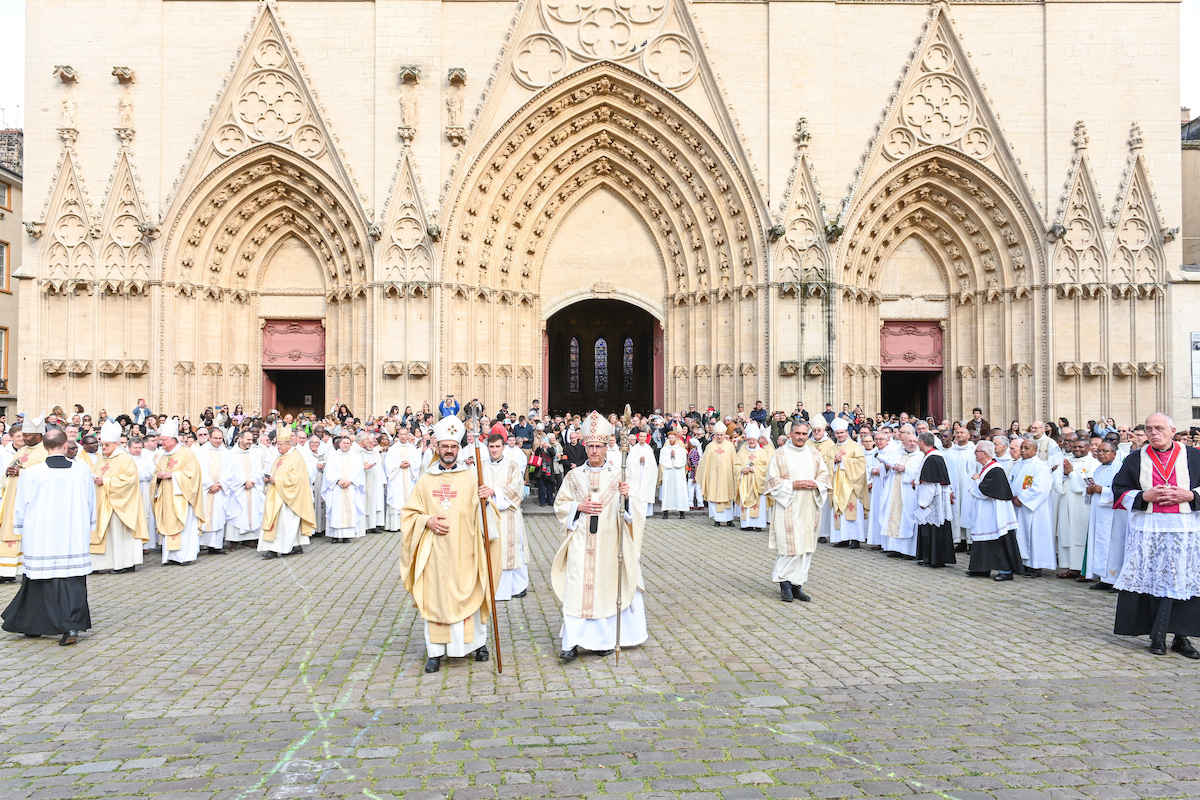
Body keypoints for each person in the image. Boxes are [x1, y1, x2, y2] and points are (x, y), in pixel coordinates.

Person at [400, 415, 499, 673]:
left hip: (466, 550)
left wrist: (488, 498)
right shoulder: (425, 480)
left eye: (453, 447)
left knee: (471, 591)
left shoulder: (470, 477)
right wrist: (427, 520)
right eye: (445, 446)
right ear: (437, 447)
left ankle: (477, 644)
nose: (449, 451)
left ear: (459, 448)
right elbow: (409, 514)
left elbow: (486, 518)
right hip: (435, 552)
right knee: (436, 596)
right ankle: (436, 651)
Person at [552, 411, 647, 661]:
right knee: (576, 589)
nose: (594, 451)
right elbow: (560, 505)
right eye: (591, 446)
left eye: (599, 446)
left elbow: (635, 513)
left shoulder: (620, 476)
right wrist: (577, 507)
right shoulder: (573, 477)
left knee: (604, 591)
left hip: (608, 542)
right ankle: (570, 643)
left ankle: (601, 642)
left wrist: (626, 498)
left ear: (606, 447)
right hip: (580, 543)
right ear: (585, 446)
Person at [1111, 413, 1200, 658]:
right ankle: (1156, 635)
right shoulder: (1135, 459)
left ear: (1172, 430)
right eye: (1149, 429)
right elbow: (1118, 489)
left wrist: (1191, 496)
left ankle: (1182, 637)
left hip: (1185, 529)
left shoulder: (1193, 456)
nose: (1153, 433)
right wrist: (1142, 497)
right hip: (1149, 529)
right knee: (1151, 579)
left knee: (1182, 579)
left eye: (1159, 428)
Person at [0, 430, 95, 645]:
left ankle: (36, 623)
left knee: (40, 581)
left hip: (41, 535)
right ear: (64, 446)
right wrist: (88, 526)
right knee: (71, 580)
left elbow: (21, 505)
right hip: (72, 534)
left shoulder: (32, 473)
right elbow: (91, 503)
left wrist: (20, 528)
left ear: (44, 447)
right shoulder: (81, 471)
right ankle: (70, 626)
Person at [763, 422, 830, 602]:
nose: (801, 437)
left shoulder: (814, 454)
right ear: (790, 434)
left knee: (805, 546)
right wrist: (793, 484)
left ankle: (797, 584)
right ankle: (784, 584)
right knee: (789, 546)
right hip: (788, 505)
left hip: (809, 505)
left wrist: (816, 484)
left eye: (804, 434)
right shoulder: (780, 454)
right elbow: (771, 480)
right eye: (798, 433)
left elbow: (824, 475)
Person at [90, 420, 148, 574]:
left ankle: (125, 563)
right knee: (106, 534)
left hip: (121, 505)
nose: (104, 448)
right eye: (102, 444)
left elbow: (129, 480)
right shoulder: (102, 459)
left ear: (116, 444)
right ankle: (102, 564)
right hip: (103, 502)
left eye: (107, 445)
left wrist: (106, 482)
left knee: (119, 533)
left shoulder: (125, 458)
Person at [480, 432, 528, 601]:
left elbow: (517, 490)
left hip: (508, 514)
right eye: (491, 447)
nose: (494, 450)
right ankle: (491, 587)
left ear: (503, 447)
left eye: (497, 446)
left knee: (512, 549)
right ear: (488, 448)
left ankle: (517, 587)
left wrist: (494, 492)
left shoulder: (513, 466)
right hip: (487, 514)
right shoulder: (481, 466)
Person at [153, 418, 208, 565]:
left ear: (173, 440)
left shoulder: (186, 454)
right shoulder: (163, 457)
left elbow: (193, 475)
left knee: (185, 527)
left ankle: (185, 557)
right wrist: (157, 478)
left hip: (182, 498)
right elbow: (155, 474)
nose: (161, 443)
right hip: (167, 498)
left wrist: (173, 475)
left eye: (163, 440)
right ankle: (170, 556)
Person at [0, 414, 48, 582]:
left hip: (30, 501)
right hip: (12, 498)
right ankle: (7, 571)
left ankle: (24, 568)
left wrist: (22, 472)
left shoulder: (46, 452)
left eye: (27, 435)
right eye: (23, 435)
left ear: (39, 435)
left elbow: (45, 476)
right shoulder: (21, 451)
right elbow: (9, 469)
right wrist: (8, 472)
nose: (24, 438)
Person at [965, 440, 1021, 580]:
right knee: (983, 539)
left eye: (976, 452)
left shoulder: (995, 470)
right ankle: (981, 568)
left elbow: (985, 491)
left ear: (984, 454)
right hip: (986, 511)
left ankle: (1005, 571)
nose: (975, 454)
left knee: (997, 539)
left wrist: (977, 480)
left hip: (996, 512)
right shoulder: (987, 467)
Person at [259, 424, 316, 559]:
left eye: (280, 445)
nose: (278, 447)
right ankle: (295, 546)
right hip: (277, 494)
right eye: (277, 445)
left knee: (284, 524)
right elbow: (275, 472)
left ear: (289, 444)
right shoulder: (279, 457)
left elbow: (297, 479)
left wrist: (276, 480)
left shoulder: (296, 457)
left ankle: (276, 549)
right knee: (283, 524)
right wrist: (268, 478)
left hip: (289, 498)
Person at [1009, 438, 1057, 577]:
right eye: (1022, 447)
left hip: (1034, 509)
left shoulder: (1040, 466)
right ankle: (1022, 564)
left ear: (1035, 451)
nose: (1023, 450)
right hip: (1017, 507)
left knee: (1035, 536)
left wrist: (1023, 500)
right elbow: (1012, 482)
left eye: (1027, 448)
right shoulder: (1017, 465)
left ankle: (1036, 566)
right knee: (1020, 535)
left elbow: (1041, 487)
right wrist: (1012, 497)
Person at [1083, 440, 1123, 590]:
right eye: (1099, 451)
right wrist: (1089, 490)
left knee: (1112, 545)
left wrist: (1103, 490)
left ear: (1114, 453)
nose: (1100, 454)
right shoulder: (1098, 469)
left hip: (1112, 514)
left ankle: (1115, 579)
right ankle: (1103, 578)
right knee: (1099, 544)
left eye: (1105, 451)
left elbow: (1122, 491)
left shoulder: (1120, 469)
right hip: (1098, 512)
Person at [823, 418, 868, 549]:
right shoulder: (831, 449)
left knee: (852, 512)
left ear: (847, 432)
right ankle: (842, 538)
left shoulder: (855, 446)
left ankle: (855, 539)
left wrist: (844, 460)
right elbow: (825, 464)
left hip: (851, 485)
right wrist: (833, 462)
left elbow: (861, 464)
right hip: (837, 485)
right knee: (838, 512)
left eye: (842, 432)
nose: (840, 435)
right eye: (837, 433)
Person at [1057, 438, 1098, 579]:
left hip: (1082, 504)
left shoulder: (1093, 463)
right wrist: (1062, 474)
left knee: (1080, 534)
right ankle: (1071, 567)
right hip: (1066, 501)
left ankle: (1084, 569)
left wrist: (1072, 473)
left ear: (1088, 447)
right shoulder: (1068, 460)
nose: (1076, 449)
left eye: (1080, 447)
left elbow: (1088, 485)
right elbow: (1058, 479)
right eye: (1074, 447)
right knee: (1067, 532)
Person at [914, 432, 955, 567]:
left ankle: (933, 559)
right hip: (934, 499)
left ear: (922, 442)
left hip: (932, 502)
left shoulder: (932, 458)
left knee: (931, 529)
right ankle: (930, 558)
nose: (917, 444)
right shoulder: (934, 455)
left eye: (918, 441)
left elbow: (930, 483)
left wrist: (923, 503)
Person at [880, 427, 922, 559]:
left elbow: (921, 473)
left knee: (908, 519)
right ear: (903, 443)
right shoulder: (897, 453)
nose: (912, 444)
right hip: (894, 490)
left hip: (909, 493)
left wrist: (905, 469)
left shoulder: (920, 456)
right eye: (909, 442)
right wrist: (887, 468)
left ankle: (909, 551)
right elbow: (887, 468)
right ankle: (895, 548)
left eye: (915, 442)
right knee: (893, 517)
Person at [222, 430, 265, 548]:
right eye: (248, 439)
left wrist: (252, 480)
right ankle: (234, 540)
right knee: (237, 512)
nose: (250, 442)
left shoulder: (254, 453)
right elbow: (230, 471)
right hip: (238, 489)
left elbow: (258, 469)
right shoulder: (231, 454)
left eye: (251, 440)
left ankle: (251, 539)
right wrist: (244, 482)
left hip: (253, 487)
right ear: (240, 439)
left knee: (254, 512)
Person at [323, 435, 366, 542]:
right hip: (336, 488)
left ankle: (347, 535)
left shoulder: (356, 456)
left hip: (350, 487)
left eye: (348, 443)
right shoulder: (333, 456)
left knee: (349, 509)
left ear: (350, 444)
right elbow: (328, 472)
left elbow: (359, 471)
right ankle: (335, 536)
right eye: (343, 443)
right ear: (339, 444)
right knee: (336, 510)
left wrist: (350, 481)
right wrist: (337, 481)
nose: (345, 445)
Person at [942, 424, 976, 551]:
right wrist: (949, 489)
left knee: (968, 512)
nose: (960, 434)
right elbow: (946, 471)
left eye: (962, 432)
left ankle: (971, 541)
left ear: (968, 436)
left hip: (969, 488)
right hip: (955, 488)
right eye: (958, 432)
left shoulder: (974, 451)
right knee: (956, 512)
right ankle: (959, 540)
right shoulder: (950, 453)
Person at [697, 422, 737, 527]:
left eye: (721, 435)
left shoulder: (730, 446)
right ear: (714, 435)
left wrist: (735, 474)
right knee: (714, 497)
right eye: (717, 435)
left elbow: (735, 462)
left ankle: (729, 520)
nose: (719, 437)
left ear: (724, 435)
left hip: (727, 477)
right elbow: (704, 463)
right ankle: (717, 519)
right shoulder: (710, 446)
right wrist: (705, 475)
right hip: (713, 477)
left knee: (728, 497)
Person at [385, 426, 421, 532]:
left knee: (408, 499)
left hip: (409, 478)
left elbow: (417, 463)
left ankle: (409, 524)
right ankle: (394, 526)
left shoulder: (412, 449)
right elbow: (388, 464)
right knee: (396, 499)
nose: (403, 436)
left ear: (408, 435)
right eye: (401, 434)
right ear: (398, 435)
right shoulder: (392, 449)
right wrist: (398, 465)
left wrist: (410, 464)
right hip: (397, 478)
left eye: (405, 434)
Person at [734, 429, 769, 531]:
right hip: (745, 482)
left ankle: (758, 525)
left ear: (757, 440)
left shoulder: (762, 452)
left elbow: (766, 467)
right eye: (750, 440)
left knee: (758, 503)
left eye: (754, 440)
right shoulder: (742, 451)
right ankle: (746, 524)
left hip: (757, 483)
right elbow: (736, 465)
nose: (752, 441)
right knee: (745, 500)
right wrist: (742, 469)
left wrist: (755, 469)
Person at [627, 431, 659, 518]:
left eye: (644, 436)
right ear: (638, 437)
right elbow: (629, 462)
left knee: (645, 491)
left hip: (646, 472)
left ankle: (646, 512)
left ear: (646, 438)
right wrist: (638, 460)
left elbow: (653, 464)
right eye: (641, 436)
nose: (642, 438)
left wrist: (646, 461)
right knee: (636, 491)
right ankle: (634, 512)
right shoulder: (634, 449)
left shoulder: (648, 449)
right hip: (636, 473)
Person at [658, 429, 688, 519]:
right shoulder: (664, 449)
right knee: (668, 491)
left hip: (678, 473)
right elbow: (662, 460)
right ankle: (666, 512)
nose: (671, 440)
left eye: (672, 438)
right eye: (669, 438)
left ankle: (681, 512)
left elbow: (683, 460)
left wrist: (675, 457)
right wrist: (670, 457)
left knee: (679, 491)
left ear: (676, 438)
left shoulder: (680, 449)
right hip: (668, 472)